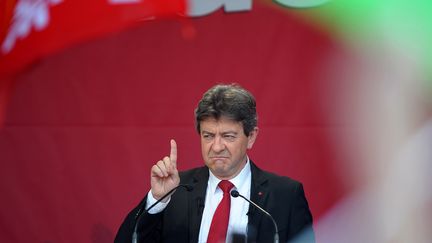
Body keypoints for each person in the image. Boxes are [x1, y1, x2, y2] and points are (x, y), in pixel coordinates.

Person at [115, 84, 314, 243]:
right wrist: (156, 201)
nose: (217, 147)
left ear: (251, 137)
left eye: (228, 136)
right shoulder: (175, 190)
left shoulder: (286, 196)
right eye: (208, 136)